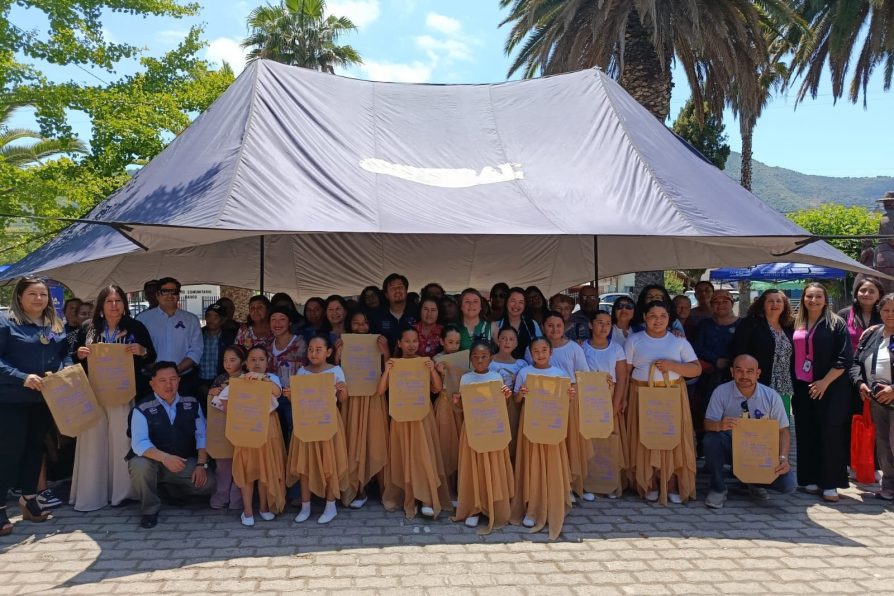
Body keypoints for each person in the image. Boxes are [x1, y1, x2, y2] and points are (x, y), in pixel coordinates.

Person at [71, 285, 156, 512]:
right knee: (93, 442)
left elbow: (151, 356)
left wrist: (142, 351)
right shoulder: (89, 327)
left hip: (123, 392)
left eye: (118, 301)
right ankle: (92, 493)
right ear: (101, 304)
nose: (114, 305)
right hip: (94, 392)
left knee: (121, 440)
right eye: (109, 301)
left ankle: (123, 492)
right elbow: (72, 356)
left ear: (124, 304)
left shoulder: (136, 326)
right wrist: (79, 354)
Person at [0, 277, 72, 535]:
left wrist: (64, 369)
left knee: (35, 449)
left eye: (43, 294)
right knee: (9, 452)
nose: (39, 299)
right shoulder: (6, 324)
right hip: (12, 399)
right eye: (32, 294)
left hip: (43, 399)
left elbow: (65, 353)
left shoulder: (55, 325)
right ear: (20, 297)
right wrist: (22, 377)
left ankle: (29, 499)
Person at [625, 300, 701, 505]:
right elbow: (625, 371)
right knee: (645, 436)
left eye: (662, 316)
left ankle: (672, 483)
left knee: (671, 437)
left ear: (669, 318)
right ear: (644, 318)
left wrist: (673, 366)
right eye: (653, 316)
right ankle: (649, 482)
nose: (657, 320)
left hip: (671, 394)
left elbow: (696, 369)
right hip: (641, 393)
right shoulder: (634, 340)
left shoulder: (678, 341)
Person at [127, 361, 213, 529]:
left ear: (179, 381)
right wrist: (165, 458)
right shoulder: (141, 408)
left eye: (173, 379)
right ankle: (149, 510)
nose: (169, 385)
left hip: (182, 461)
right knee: (139, 465)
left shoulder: (192, 403)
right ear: (152, 383)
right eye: (162, 380)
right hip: (154, 462)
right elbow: (139, 444)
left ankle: (172, 489)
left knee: (210, 484)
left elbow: (202, 435)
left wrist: (201, 465)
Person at [703, 354, 795, 509]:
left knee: (788, 484)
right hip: (731, 447)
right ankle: (718, 488)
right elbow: (707, 424)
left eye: (750, 371)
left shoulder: (771, 396)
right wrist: (719, 425)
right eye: (739, 370)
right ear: (732, 372)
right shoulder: (721, 392)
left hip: (759, 452)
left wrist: (783, 458)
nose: (744, 375)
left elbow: (783, 431)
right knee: (711, 439)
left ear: (758, 373)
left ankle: (753, 481)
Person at [379, 328, 451, 519]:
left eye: (415, 341)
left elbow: (437, 388)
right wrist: (386, 371)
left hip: (422, 416)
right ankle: (409, 495)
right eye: (407, 341)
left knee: (423, 455)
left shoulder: (424, 362)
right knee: (404, 455)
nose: (411, 345)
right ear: (399, 343)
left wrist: (432, 370)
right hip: (401, 416)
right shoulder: (394, 364)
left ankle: (427, 499)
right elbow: (380, 391)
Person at [791, 282, 853, 503]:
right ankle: (809, 479)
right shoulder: (795, 322)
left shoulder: (836, 324)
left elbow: (845, 358)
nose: (813, 300)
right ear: (803, 298)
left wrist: (825, 382)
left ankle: (830, 484)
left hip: (830, 387)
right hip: (802, 387)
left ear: (825, 300)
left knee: (830, 434)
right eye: (809, 296)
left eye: (818, 296)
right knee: (806, 432)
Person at [211, 346, 285, 526]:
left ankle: (264, 508)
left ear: (267, 362)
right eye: (253, 359)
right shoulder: (238, 381)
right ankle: (248, 511)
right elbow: (223, 403)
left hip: (268, 427)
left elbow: (277, 392)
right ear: (246, 363)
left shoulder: (271, 378)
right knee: (247, 469)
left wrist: (261, 378)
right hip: (245, 427)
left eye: (261, 359)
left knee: (265, 467)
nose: (257, 363)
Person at [510, 337, 575, 540]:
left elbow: (565, 401)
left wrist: (570, 395)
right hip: (531, 424)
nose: (540, 354)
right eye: (536, 351)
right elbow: (516, 400)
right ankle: (531, 508)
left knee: (551, 464)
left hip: (552, 425)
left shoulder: (560, 374)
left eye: (544, 350)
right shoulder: (525, 373)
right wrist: (521, 394)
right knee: (532, 464)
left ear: (551, 352)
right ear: (530, 353)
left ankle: (553, 504)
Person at [526, 311, 592, 501]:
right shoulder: (534, 348)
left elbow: (583, 375)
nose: (554, 329)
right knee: (548, 445)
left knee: (569, 444)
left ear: (565, 327)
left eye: (558, 325)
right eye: (550, 325)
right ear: (543, 327)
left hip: (568, 401)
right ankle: (549, 486)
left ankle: (571, 486)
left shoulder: (574, 348)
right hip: (541, 404)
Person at [287, 335, 353, 524]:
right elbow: (296, 401)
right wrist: (290, 395)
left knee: (329, 463)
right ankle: (305, 506)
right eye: (310, 349)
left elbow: (343, 400)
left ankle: (330, 506)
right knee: (305, 465)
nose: (313, 353)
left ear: (328, 352)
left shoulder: (335, 370)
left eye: (318, 350)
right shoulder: (302, 372)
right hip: (306, 422)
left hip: (327, 421)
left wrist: (342, 389)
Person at [451, 342, 514, 533]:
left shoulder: (496, 378)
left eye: (484, 356)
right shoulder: (466, 378)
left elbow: (502, 406)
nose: (480, 360)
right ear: (471, 359)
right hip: (473, 429)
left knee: (493, 466)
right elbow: (462, 408)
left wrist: (507, 396)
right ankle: (474, 507)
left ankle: (494, 504)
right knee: (474, 467)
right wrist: (457, 401)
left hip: (493, 428)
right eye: (476, 357)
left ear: (491, 358)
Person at [340, 311, 390, 509]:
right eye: (356, 323)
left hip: (374, 396)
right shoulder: (343, 343)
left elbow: (390, 370)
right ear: (349, 325)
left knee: (377, 442)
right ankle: (358, 490)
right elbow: (336, 373)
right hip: (352, 399)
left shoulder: (379, 342)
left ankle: (384, 490)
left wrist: (385, 351)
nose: (361, 327)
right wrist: (337, 354)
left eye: (365, 323)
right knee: (353, 443)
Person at [850, 292, 894, 501]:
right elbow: (856, 362)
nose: (890, 314)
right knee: (883, 444)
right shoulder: (871, 334)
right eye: (886, 310)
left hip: (891, 394)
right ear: (880, 311)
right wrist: (860, 383)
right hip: (875, 400)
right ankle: (889, 486)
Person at [582, 311, 629, 498]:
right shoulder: (581, 347)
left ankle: (610, 483)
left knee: (610, 441)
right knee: (589, 441)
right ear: (591, 325)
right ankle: (589, 484)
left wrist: (615, 404)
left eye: (608, 323)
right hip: (588, 399)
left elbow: (622, 378)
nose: (604, 327)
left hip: (609, 398)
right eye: (599, 322)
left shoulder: (616, 349)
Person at [731, 290, 795, 420]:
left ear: (784, 305)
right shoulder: (750, 324)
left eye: (779, 301)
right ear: (762, 305)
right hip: (759, 384)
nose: (775, 304)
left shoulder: (789, 326)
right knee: (760, 426)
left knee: (782, 425)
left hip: (784, 386)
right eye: (770, 301)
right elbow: (738, 351)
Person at [137, 277, 203, 398]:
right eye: (165, 291)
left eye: (174, 292)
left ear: (178, 295)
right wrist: (156, 371)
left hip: (183, 379)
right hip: (150, 379)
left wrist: (175, 371)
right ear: (157, 295)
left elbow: (196, 351)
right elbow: (138, 349)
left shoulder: (191, 320)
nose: (170, 295)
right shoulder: (142, 319)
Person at [207, 345, 247, 511]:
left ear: (243, 362)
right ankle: (221, 495)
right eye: (225, 360)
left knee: (240, 463)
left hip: (242, 427)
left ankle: (237, 498)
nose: (228, 364)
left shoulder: (247, 378)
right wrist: (212, 391)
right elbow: (211, 401)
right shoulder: (220, 379)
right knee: (223, 463)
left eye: (232, 360)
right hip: (221, 427)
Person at [268, 306, 308, 446]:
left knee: (293, 432)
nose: (277, 323)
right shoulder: (268, 344)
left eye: (282, 319)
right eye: (273, 319)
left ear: (290, 322)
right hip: (272, 396)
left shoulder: (301, 343)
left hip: (294, 396)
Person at [433, 326, 465, 503]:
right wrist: (439, 373)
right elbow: (434, 388)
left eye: (457, 342)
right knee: (446, 447)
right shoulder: (437, 359)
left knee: (461, 447)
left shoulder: (464, 358)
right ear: (442, 341)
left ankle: (462, 488)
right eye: (450, 342)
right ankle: (447, 491)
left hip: (461, 406)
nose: (454, 346)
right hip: (445, 405)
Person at [489, 327, 528, 463]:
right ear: (498, 341)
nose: (507, 342)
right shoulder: (488, 361)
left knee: (512, 434)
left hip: (513, 405)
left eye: (511, 339)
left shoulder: (521, 365)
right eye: (504, 338)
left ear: (516, 343)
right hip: (493, 405)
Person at [198, 303, 236, 409]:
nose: (211, 320)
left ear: (223, 320)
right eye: (208, 316)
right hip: (199, 382)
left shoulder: (229, 338)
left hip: (220, 382)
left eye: (216, 317)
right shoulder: (197, 334)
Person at [370, 273, 418, 352]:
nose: (397, 290)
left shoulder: (417, 312)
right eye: (392, 288)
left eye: (400, 287)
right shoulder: (377, 316)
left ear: (406, 291)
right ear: (386, 295)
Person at [492, 287, 542, 360]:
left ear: (525, 305)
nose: (516, 305)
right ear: (506, 302)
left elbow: (540, 346)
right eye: (513, 301)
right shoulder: (496, 326)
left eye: (521, 302)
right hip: (503, 366)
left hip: (528, 366)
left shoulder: (532, 324)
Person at [838, 277, 884, 354]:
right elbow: (836, 340)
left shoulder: (886, 314)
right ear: (856, 293)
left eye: (872, 291)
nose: (866, 294)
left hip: (878, 359)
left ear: (879, 296)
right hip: (850, 359)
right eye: (863, 290)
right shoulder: (844, 314)